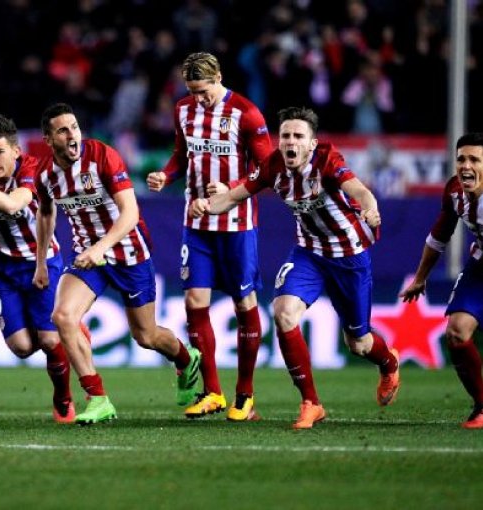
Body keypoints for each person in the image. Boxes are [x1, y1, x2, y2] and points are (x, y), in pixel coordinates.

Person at [192, 106, 400, 429]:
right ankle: (311, 402)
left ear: (312, 143)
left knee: (358, 343)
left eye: (298, 136)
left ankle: (388, 363)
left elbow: (360, 192)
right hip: (308, 253)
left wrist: (371, 210)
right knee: (284, 311)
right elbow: (232, 197)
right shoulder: (273, 166)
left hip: (348, 256)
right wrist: (206, 206)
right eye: (286, 135)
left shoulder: (328, 161)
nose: (290, 142)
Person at [34, 102, 201, 425]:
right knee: (63, 316)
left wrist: (101, 247)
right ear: (48, 139)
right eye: (63, 130)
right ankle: (97, 398)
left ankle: (185, 358)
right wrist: (41, 262)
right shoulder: (45, 175)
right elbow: (45, 213)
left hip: (129, 253)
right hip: (89, 258)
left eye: (75, 127)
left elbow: (130, 213)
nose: (72, 136)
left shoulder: (102, 156)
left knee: (146, 335)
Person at [147, 52, 273, 420]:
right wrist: (165, 176)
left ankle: (245, 396)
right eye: (192, 91)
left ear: (219, 76)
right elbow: (179, 156)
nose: (198, 99)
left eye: (203, 91)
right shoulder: (183, 110)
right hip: (196, 225)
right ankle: (213, 393)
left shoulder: (246, 114)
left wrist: (231, 187)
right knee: (194, 302)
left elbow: (268, 171)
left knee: (243, 305)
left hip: (237, 227)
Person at [0, 115, 89, 424]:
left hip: (41, 262)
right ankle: (68, 330)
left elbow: (13, 204)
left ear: (16, 151)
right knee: (22, 347)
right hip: (2, 269)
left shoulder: (33, 170)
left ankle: (63, 399)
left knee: (49, 341)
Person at [400, 132, 483, 429]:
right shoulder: (454, 191)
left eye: (475, 159)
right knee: (457, 331)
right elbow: (439, 236)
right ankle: (481, 408)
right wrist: (421, 278)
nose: (466, 166)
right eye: (461, 159)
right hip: (480, 267)